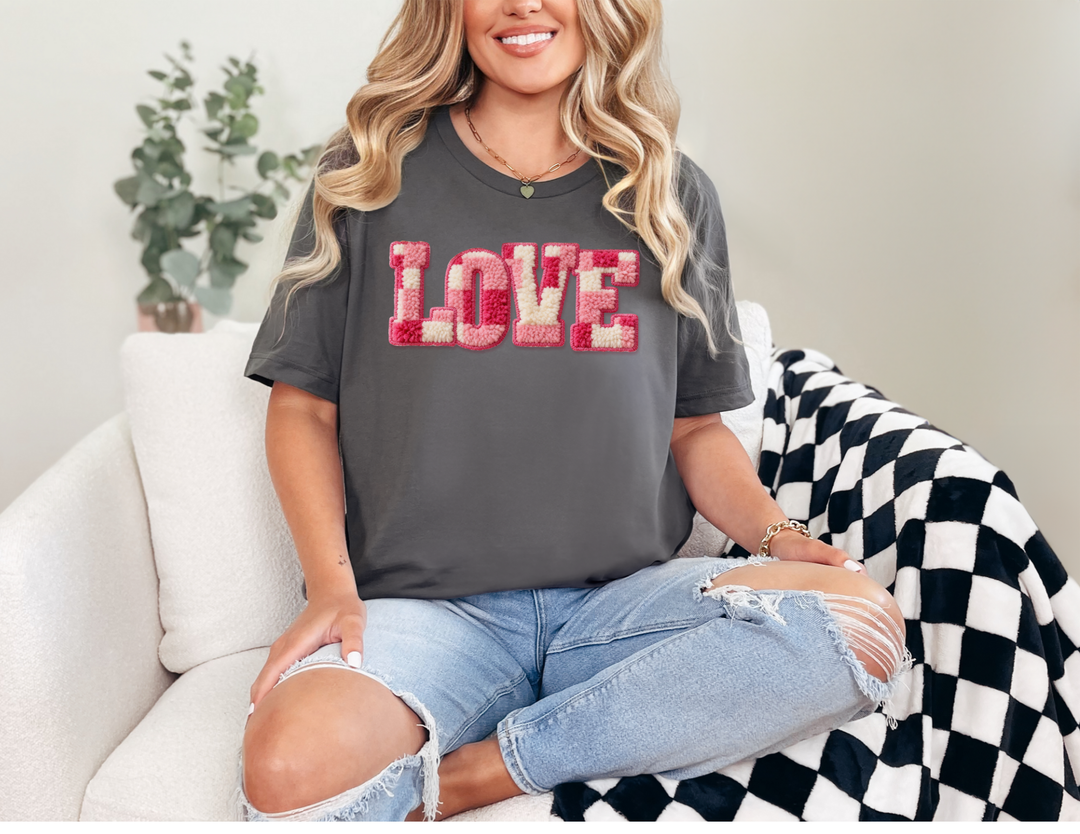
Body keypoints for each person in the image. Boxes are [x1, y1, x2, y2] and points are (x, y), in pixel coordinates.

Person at [234, 0, 911, 822]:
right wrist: (331, 592)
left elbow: (694, 428)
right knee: (285, 766)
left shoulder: (668, 192)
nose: (524, 6)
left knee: (861, 628)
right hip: (427, 613)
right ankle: (590, 732)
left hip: (619, 607)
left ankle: (491, 769)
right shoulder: (370, 173)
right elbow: (305, 410)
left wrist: (776, 535)